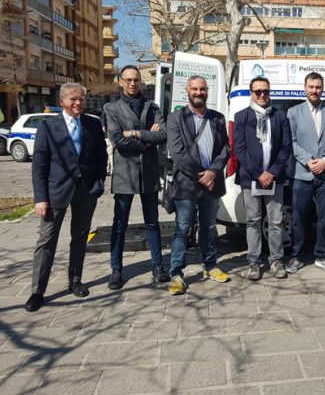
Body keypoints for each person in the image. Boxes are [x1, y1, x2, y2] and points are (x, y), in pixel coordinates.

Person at [24, 83, 108, 312]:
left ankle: (75, 281)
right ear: (62, 101)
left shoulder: (92, 123)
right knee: (46, 240)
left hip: (85, 190)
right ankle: (37, 291)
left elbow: (101, 156)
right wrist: (40, 198)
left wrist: (99, 182)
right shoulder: (48, 127)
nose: (78, 103)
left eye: (81, 99)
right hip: (55, 192)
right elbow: (39, 165)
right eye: (73, 99)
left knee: (80, 237)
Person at [104, 65, 169, 290]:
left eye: (136, 80)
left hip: (149, 172)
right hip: (125, 174)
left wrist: (135, 133)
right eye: (128, 80)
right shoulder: (111, 108)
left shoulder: (152, 107)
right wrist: (147, 142)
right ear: (121, 81)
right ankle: (116, 270)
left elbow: (163, 135)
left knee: (152, 222)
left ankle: (158, 266)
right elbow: (117, 140)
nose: (133, 83)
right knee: (119, 224)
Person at [166, 75, 230, 295]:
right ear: (187, 90)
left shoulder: (217, 118)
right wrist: (202, 176)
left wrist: (213, 172)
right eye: (194, 89)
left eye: (202, 89)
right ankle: (176, 273)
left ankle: (210, 266)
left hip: (212, 183)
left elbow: (225, 148)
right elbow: (178, 153)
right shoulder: (175, 118)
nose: (198, 92)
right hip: (187, 184)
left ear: (207, 91)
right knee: (182, 229)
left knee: (209, 228)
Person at [233, 76, 292, 281]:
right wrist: (259, 173)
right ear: (252, 93)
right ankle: (254, 262)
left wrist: (271, 172)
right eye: (258, 91)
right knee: (253, 221)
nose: (262, 95)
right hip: (251, 178)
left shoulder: (280, 116)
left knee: (276, 221)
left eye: (266, 91)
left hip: (274, 177)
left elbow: (286, 147)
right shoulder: (242, 117)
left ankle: (276, 261)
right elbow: (239, 149)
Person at [286, 72, 325, 275]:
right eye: (311, 87)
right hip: (302, 174)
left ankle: (323, 256)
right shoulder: (293, 112)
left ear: (322, 89)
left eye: (318, 87)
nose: (314, 90)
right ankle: (296, 256)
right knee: (299, 218)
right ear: (305, 88)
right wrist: (309, 161)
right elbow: (290, 141)